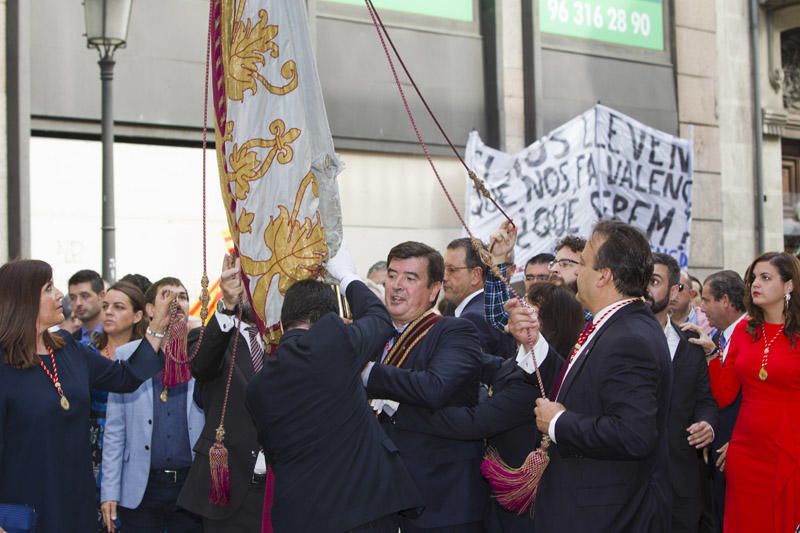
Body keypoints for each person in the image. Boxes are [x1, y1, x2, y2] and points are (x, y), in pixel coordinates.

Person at [246, 250, 423, 532]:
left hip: (299, 517)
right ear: (328, 317)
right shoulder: (328, 345)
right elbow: (379, 319)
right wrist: (347, 277)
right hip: (360, 512)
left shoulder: (258, 385)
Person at [0, 259, 171, 533]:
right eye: (48, 288)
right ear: (24, 299)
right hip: (25, 511)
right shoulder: (4, 366)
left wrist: (157, 326)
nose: (59, 295)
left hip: (76, 503)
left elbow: (125, 378)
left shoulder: (68, 349)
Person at [523, 220, 672, 532]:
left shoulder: (629, 336)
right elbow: (582, 383)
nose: (578, 273)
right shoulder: (615, 325)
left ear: (605, 276)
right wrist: (533, 344)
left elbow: (634, 434)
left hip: (603, 515)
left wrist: (558, 423)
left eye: (585, 264)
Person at [397, 282, 577, 532]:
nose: (517, 312)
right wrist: (445, 342)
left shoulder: (535, 384)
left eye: (528, 311)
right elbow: (485, 364)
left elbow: (473, 422)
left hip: (520, 512)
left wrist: (401, 408)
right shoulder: (517, 365)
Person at [364, 241, 485, 531]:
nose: (396, 286)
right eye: (392, 275)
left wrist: (369, 373)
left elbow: (435, 387)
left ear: (434, 289)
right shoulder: (373, 335)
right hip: (381, 502)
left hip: (439, 505)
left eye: (410, 278)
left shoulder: (454, 331)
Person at [705, 252, 800, 532]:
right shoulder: (746, 331)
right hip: (745, 454)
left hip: (790, 453)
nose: (755, 284)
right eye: (753, 278)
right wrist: (712, 356)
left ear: (789, 286)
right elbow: (724, 394)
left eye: (766, 278)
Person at [101, 278, 203, 532]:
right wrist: (109, 492)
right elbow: (115, 431)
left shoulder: (199, 355)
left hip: (190, 485)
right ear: (148, 310)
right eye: (167, 295)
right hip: (141, 485)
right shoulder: (127, 356)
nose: (175, 302)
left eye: (182, 296)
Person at [177, 255, 267, 531]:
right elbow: (202, 364)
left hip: (278, 491)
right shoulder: (212, 337)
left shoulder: (286, 342)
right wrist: (227, 306)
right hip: (227, 490)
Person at [649, 254, 718, 532]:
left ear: (676, 289)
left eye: (654, 281)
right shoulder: (615, 339)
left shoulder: (691, 345)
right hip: (630, 481)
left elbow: (705, 400)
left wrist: (707, 425)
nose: (645, 288)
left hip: (682, 482)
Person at [682, 270, 747, 533]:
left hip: (741, 451)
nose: (701, 306)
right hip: (718, 451)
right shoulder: (719, 338)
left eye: (706, 300)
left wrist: (742, 441)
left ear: (726, 301)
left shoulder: (751, 335)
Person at [90, 282, 149, 530]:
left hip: (128, 450)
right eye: (105, 306)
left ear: (137, 316)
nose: (109, 312)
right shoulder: (86, 353)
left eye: (118, 306)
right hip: (88, 449)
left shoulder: (145, 358)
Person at [443, 238, 515, 358]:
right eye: (444, 269)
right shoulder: (493, 304)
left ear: (475, 275)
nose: (444, 277)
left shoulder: (473, 319)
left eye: (452, 270)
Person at [68, 269, 106, 344]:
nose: (78, 303)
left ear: (101, 296)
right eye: (73, 298)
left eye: (85, 296)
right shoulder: (70, 342)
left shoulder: (116, 335)